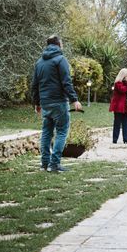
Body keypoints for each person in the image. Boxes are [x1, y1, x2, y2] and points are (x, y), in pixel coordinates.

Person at [31, 35, 82, 173]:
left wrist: (37, 103)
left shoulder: (39, 62)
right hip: (59, 102)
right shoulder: (60, 60)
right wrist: (74, 99)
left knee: (46, 133)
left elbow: (35, 85)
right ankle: (54, 164)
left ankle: (44, 163)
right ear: (59, 44)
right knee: (61, 131)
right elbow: (66, 82)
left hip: (46, 103)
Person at [109, 68, 127, 145]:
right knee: (117, 123)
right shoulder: (118, 83)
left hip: (125, 106)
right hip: (118, 106)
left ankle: (126, 139)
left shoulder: (126, 83)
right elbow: (123, 90)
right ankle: (115, 139)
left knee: (126, 123)